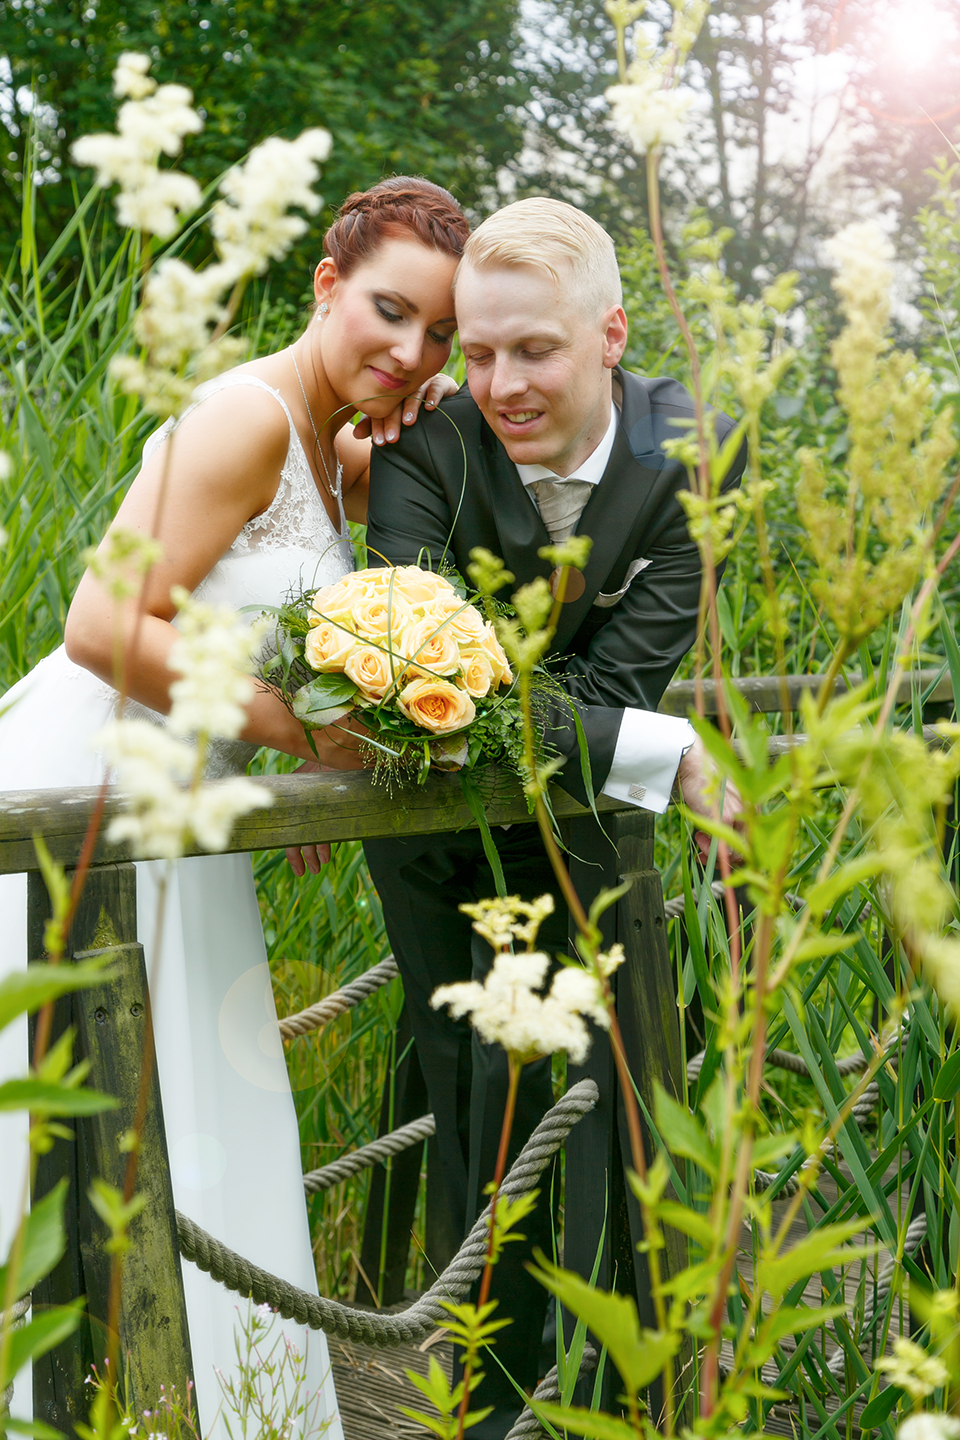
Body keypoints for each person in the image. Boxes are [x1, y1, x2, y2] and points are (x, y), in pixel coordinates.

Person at [0, 176, 468, 1438]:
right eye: (388, 311)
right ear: (323, 284)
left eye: (438, 334)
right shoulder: (244, 421)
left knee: (187, 1108)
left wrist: (442, 409)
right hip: (101, 786)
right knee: (106, 1106)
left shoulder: (331, 443)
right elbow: (100, 624)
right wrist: (291, 734)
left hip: (185, 788)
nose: (408, 350)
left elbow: (438, 496)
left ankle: (188, 1404)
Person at [361, 196, 747, 1437]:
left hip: (592, 829)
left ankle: (639, 1392)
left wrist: (629, 727)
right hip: (438, 839)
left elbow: (617, 683)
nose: (498, 384)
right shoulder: (424, 453)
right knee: (479, 1093)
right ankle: (481, 1401)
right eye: (476, 352)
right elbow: (437, 696)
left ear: (613, 335)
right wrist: (656, 748)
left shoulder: (699, 448)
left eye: (535, 350)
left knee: (625, 1083)